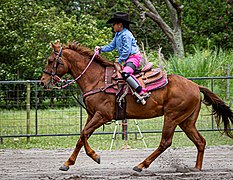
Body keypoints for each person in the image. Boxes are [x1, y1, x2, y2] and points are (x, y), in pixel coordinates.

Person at [95, 12, 150, 105]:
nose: (113, 26)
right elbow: (111, 46)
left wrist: (119, 60)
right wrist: (101, 49)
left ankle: (141, 91)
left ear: (120, 25)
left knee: (125, 73)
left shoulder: (126, 35)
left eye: (114, 24)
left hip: (134, 58)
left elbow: (126, 51)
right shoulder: (118, 35)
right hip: (127, 59)